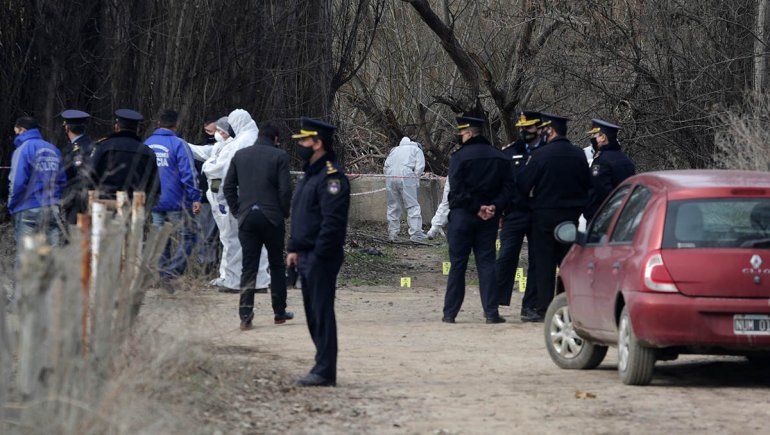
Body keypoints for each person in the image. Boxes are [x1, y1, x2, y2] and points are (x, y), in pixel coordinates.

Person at [286, 117, 350, 387]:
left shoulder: (331, 177)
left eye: (304, 140)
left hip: (321, 257)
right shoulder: (310, 173)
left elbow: (332, 222)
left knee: (321, 312)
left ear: (318, 142)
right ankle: (321, 365)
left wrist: (319, 255)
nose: (300, 145)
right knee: (313, 312)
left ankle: (325, 370)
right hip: (305, 255)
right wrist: (293, 248)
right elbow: (301, 215)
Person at [518, 113, 591, 321]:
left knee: (543, 265)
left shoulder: (541, 155)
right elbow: (587, 186)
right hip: (570, 219)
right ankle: (572, 306)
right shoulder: (578, 155)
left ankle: (543, 309)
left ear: (550, 131)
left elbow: (523, 184)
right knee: (568, 264)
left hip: (543, 218)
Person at [223, 122, 294, 330]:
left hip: (247, 217)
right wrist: (283, 212)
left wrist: (238, 211)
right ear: (276, 139)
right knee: (276, 265)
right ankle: (279, 312)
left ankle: (245, 315)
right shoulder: (279, 156)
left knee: (249, 267)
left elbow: (228, 187)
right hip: (272, 218)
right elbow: (285, 190)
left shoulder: (240, 155)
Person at [189, 111, 270, 292]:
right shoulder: (251, 138)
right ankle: (259, 281)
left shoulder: (241, 142)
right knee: (255, 239)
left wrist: (209, 167)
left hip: (235, 197)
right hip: (255, 196)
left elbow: (220, 168)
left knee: (233, 238)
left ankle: (233, 280)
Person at [442, 115, 512, 324]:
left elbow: (455, 191)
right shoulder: (499, 157)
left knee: (458, 265)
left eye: (461, 133)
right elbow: (508, 188)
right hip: (488, 219)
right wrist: (493, 207)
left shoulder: (459, 157)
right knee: (487, 263)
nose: (459, 137)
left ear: (470, 134)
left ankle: (450, 313)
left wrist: (476, 207)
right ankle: (491, 312)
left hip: (463, 217)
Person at [145, 109, 202, 284]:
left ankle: (163, 274)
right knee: (189, 235)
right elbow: (189, 173)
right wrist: (195, 197)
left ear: (158, 124)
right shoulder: (178, 144)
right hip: (177, 201)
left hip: (154, 201)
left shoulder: (147, 144)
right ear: (176, 125)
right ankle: (172, 271)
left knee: (161, 238)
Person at [495, 111, 539, 321]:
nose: (524, 131)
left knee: (537, 261)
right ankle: (494, 303)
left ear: (540, 128)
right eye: (521, 127)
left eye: (528, 127)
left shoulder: (547, 151)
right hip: (514, 213)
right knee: (506, 257)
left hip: (539, 213)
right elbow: (501, 183)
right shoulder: (510, 152)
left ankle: (530, 307)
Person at [9, 116, 66, 250]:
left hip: (28, 209)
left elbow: (17, 183)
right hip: (52, 208)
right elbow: (62, 180)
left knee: (27, 260)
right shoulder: (54, 150)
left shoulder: (23, 149)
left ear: (22, 130)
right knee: (51, 258)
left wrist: (12, 206)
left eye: (16, 131)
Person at [89, 109, 159, 206]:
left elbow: (90, 177)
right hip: (135, 207)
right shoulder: (147, 152)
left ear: (117, 127)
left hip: (103, 206)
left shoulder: (103, 147)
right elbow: (154, 187)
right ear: (137, 130)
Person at [583, 119, 636, 221]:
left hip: (602, 218)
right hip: (623, 216)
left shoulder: (601, 161)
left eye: (595, 135)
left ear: (603, 137)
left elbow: (601, 191)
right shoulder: (625, 159)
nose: (593, 139)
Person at [384, 136, 427, 242]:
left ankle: (393, 233)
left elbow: (385, 166)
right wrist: (415, 178)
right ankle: (416, 233)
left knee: (393, 205)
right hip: (406, 175)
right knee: (412, 205)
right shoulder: (416, 149)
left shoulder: (394, 150)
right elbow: (420, 167)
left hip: (390, 176)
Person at [59, 109, 94, 225]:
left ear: (67, 128)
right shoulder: (94, 145)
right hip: (92, 198)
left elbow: (64, 175)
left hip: (74, 200)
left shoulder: (70, 150)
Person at [195, 117, 221, 274]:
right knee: (205, 234)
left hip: (220, 196)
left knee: (220, 235)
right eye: (208, 131)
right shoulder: (200, 148)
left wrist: (216, 191)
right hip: (204, 198)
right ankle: (205, 267)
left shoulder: (226, 147)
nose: (210, 135)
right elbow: (196, 174)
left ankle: (217, 266)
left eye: (214, 131)